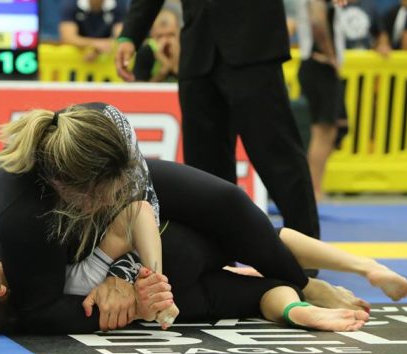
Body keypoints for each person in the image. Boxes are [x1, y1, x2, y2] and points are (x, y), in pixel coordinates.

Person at [0, 103, 407, 346]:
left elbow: (140, 204)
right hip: (78, 241)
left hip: (123, 214)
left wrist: (135, 276)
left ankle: (301, 286)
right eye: (105, 193)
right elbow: (41, 312)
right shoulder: (25, 222)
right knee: (191, 253)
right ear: (72, 189)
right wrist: (133, 296)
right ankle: (296, 290)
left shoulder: (105, 128)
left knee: (227, 203)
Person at [114, 0, 322, 242]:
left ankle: (308, 246)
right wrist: (130, 34)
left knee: (277, 153)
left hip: (253, 43)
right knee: (205, 167)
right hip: (198, 49)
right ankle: (214, 251)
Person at [296, 0, 348, 201]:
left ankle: (315, 186)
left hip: (321, 67)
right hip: (319, 65)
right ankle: (313, 188)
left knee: (331, 130)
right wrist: (331, 55)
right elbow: (317, 21)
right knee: (322, 130)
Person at [59, 0, 128, 62]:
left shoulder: (118, 5)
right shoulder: (71, 4)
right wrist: (94, 45)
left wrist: (98, 50)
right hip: (76, 59)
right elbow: (68, 38)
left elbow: (120, 37)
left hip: (106, 62)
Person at [133, 6, 181, 82]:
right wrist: (163, 72)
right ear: (152, 34)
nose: (166, 41)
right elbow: (140, 87)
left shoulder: (187, 49)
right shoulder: (146, 51)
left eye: (171, 35)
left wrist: (175, 61)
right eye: (160, 36)